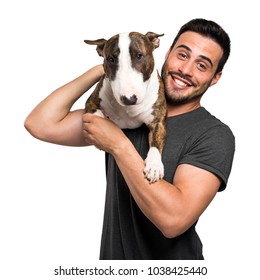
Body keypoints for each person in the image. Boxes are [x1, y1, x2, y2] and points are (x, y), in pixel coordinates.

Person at [24, 18, 235, 260]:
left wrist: (117, 144)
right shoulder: (121, 111)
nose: (185, 70)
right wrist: (107, 67)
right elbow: (40, 124)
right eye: (183, 55)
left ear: (215, 77)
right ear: (165, 53)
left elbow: (173, 221)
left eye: (202, 65)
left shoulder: (213, 134)